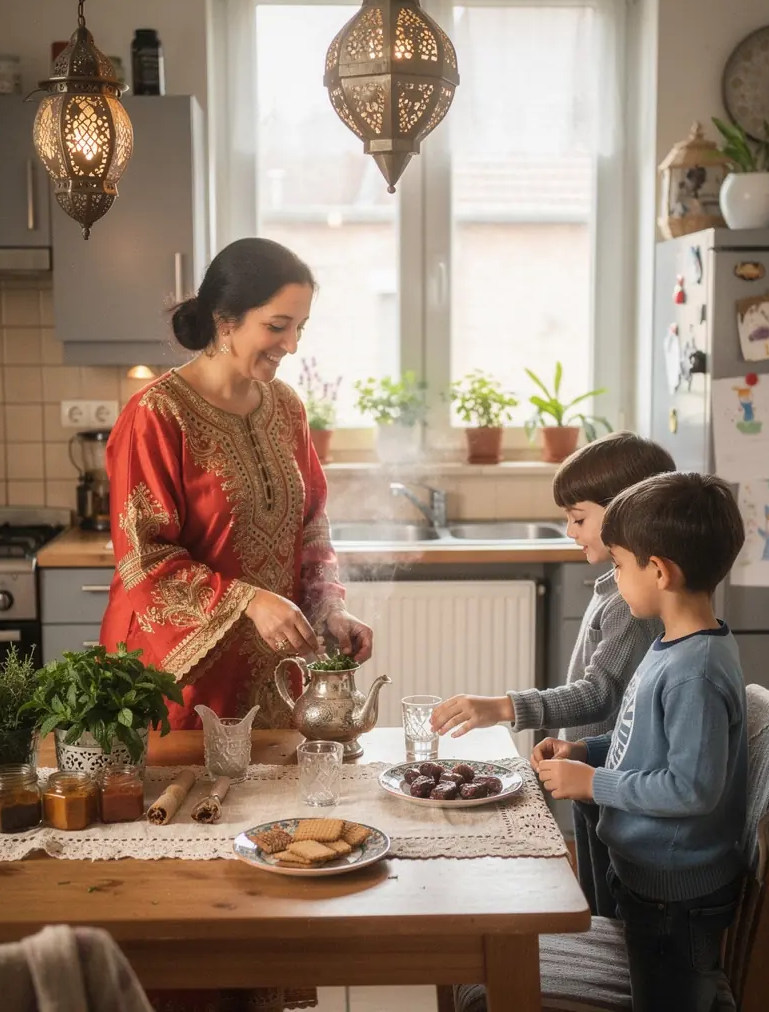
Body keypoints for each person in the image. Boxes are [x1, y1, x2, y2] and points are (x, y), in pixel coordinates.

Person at [101, 237, 372, 1012]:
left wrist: (330, 607)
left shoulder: (286, 409)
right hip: (187, 681)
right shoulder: (155, 416)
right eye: (276, 327)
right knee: (193, 892)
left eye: (300, 330)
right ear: (225, 318)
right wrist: (245, 598)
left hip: (279, 687)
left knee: (281, 874)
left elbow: (312, 526)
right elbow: (142, 557)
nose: (289, 347)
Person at [430, 431, 675, 916]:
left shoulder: (632, 605)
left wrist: (502, 707)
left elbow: (599, 693)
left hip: (612, 782)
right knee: (598, 894)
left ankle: (613, 980)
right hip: (593, 766)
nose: (570, 531)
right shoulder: (615, 587)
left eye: (578, 518)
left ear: (628, 511)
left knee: (612, 908)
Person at [534, 472, 747, 1012]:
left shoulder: (693, 671)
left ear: (658, 571)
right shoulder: (673, 643)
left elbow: (690, 789)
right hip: (652, 880)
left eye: (618, 565)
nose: (615, 577)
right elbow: (645, 743)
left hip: (677, 895)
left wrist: (593, 783)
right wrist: (586, 751)